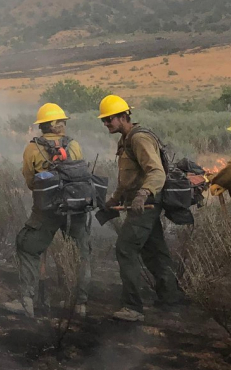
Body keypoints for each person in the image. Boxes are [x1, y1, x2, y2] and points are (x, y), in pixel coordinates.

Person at [0, 103, 91, 319]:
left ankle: (27, 302)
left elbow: (30, 180)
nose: (65, 125)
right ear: (55, 124)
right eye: (63, 121)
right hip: (76, 208)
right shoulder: (74, 145)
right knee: (82, 252)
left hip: (47, 210)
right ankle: (80, 305)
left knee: (28, 246)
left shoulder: (33, 148)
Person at [98, 94, 184, 322]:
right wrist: (115, 198)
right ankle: (170, 299)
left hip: (145, 205)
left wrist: (143, 194)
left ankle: (132, 307)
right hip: (140, 204)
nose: (106, 124)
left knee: (125, 249)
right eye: (103, 120)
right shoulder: (126, 140)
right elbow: (128, 177)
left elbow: (157, 172)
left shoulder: (139, 139)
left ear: (124, 116)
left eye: (109, 119)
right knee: (155, 252)